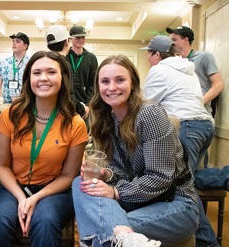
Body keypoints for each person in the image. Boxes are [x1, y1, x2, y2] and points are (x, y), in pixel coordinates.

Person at [72, 54, 199, 247]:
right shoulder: (108, 119)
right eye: (105, 81)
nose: (112, 87)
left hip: (175, 203)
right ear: (98, 87)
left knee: (104, 235)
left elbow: (160, 178)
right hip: (137, 200)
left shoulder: (150, 114)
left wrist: (115, 191)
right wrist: (106, 174)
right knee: (80, 182)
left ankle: (112, 233)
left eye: (120, 80)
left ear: (133, 82)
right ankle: (121, 233)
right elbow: (124, 171)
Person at [0, 51, 89, 247]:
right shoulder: (11, 115)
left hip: (54, 190)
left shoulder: (75, 123)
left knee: (45, 221)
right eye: (37, 73)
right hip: (13, 186)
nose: (43, 78)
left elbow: (68, 175)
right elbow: (1, 165)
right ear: (29, 78)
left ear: (63, 78)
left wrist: (36, 198)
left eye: (51, 72)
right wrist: (20, 197)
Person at [141, 35, 229, 247]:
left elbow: (146, 106)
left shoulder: (159, 70)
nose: (147, 59)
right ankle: (225, 176)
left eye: (148, 54)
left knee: (182, 187)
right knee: (183, 177)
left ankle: (207, 243)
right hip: (204, 125)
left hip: (186, 127)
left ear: (156, 54)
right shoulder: (187, 69)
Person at [166, 26, 224, 118]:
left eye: (174, 39)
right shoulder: (176, 62)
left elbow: (218, 84)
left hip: (199, 116)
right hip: (181, 116)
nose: (171, 43)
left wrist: (199, 103)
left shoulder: (204, 56)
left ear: (185, 40)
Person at [45, 24, 86, 117]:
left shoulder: (41, 62)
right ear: (67, 42)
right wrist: (82, 108)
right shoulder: (64, 64)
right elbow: (67, 98)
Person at [66, 25, 98, 121]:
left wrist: (88, 105)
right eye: (77, 37)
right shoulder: (65, 56)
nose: (81, 40)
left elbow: (93, 84)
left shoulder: (91, 58)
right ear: (71, 38)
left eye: (83, 37)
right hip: (66, 104)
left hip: (85, 107)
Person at [0, 32, 30, 104]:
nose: (14, 44)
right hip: (7, 103)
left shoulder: (32, 62)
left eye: (17, 41)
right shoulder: (4, 62)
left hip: (26, 103)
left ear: (25, 46)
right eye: (13, 41)